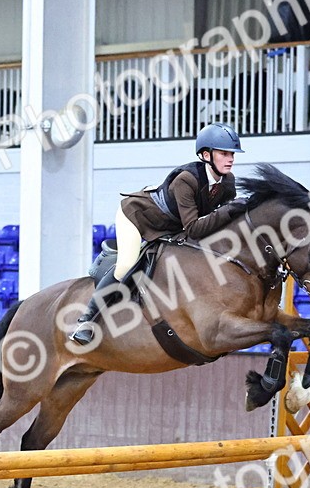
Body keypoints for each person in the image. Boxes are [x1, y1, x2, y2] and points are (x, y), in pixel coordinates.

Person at [69, 122, 249, 346]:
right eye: (224, 153)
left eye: (232, 153)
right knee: (127, 264)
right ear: (205, 155)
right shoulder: (187, 180)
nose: (230, 158)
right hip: (137, 216)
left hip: (171, 226)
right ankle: (86, 321)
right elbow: (194, 228)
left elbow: (221, 223)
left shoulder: (227, 183)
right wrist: (229, 210)